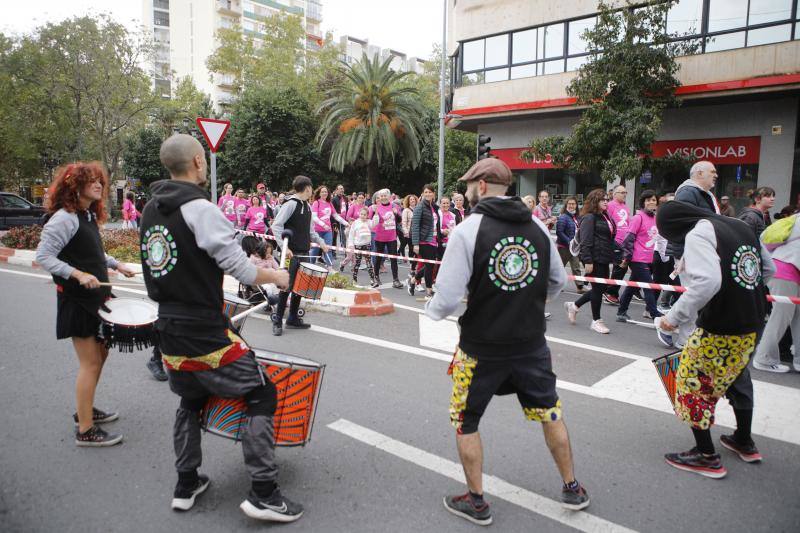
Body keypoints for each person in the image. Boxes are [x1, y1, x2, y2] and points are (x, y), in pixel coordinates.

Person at [139, 134, 301, 521]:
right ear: (198, 161)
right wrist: (277, 277)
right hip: (204, 331)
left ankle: (186, 482)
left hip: (169, 329)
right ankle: (264, 491)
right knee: (262, 392)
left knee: (191, 399)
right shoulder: (200, 208)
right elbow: (241, 268)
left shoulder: (149, 210)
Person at [426, 158, 589, 526]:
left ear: (482, 186)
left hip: (481, 347)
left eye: (469, 185)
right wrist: (529, 303)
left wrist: (431, 312)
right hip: (531, 344)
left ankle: (477, 500)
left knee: (466, 421)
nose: (467, 191)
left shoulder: (469, 230)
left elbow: (448, 297)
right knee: (550, 411)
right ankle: (572, 487)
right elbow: (558, 280)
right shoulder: (537, 227)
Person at [655, 201, 774, 477]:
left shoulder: (698, 233)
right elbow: (769, 270)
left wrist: (672, 318)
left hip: (721, 325)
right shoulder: (741, 226)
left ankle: (705, 455)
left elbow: (707, 283)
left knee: (689, 382)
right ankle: (744, 441)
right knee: (737, 377)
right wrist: (743, 292)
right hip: (752, 321)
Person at [36, 161, 137, 446]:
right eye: (92, 180)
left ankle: (86, 409)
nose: (99, 185)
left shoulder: (86, 216)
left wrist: (117, 265)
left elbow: (92, 252)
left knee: (101, 356)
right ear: (75, 185)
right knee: (90, 362)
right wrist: (77, 274)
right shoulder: (64, 217)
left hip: (97, 298)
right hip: (77, 300)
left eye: (100, 181)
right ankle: (85, 430)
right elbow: (44, 256)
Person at [659, 161, 721, 348]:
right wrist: (686, 254)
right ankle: (680, 335)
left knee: (699, 295)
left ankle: (679, 330)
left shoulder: (703, 194)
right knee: (695, 295)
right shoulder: (688, 192)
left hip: (701, 251)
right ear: (699, 173)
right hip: (690, 252)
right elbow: (684, 222)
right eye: (712, 172)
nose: (716, 175)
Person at [270, 175, 329, 336]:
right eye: (311, 188)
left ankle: (293, 318)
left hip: (304, 252)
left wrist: (321, 242)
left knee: (299, 287)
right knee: (286, 287)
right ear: (308, 188)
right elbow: (276, 225)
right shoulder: (290, 204)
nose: (312, 191)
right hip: (291, 253)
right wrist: (284, 246)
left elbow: (311, 232)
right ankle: (278, 320)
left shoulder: (308, 206)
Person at [752, 213, 800, 373]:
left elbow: (764, 237)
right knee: (781, 317)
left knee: (795, 316)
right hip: (786, 272)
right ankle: (764, 359)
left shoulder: (794, 220)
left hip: (781, 269)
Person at [564, 189, 616, 334]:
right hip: (594, 259)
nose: (606, 201)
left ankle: (574, 306)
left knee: (601, 289)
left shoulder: (605, 216)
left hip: (604, 258)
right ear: (595, 201)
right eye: (602, 199)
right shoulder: (589, 218)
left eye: (607, 199)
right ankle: (596, 320)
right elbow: (586, 241)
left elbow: (609, 238)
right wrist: (588, 261)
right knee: (598, 290)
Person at [615, 190, 662, 322]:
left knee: (632, 286)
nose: (651, 202)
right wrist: (627, 258)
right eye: (648, 200)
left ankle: (621, 311)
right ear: (643, 203)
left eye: (653, 200)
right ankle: (654, 314)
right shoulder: (638, 217)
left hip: (649, 259)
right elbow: (628, 239)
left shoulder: (655, 218)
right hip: (637, 259)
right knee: (648, 285)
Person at [408, 184, 441, 299]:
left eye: (430, 192)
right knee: (430, 265)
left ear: (433, 194)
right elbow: (415, 226)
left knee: (430, 264)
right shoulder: (420, 207)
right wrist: (415, 243)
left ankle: (413, 280)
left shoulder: (434, 207)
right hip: (423, 240)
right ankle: (429, 290)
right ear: (422, 194)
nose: (428, 194)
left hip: (433, 239)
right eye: (425, 192)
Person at [369, 188, 403, 288]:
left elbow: (399, 220)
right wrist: (374, 213)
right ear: (379, 197)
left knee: (393, 258)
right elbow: (370, 221)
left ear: (389, 196)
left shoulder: (394, 206)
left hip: (391, 237)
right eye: (381, 196)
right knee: (378, 258)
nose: (383, 197)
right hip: (379, 237)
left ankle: (395, 280)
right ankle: (376, 277)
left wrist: (396, 213)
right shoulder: (375, 208)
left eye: (385, 195)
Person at [604, 185, 631, 304]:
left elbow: (628, 222)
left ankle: (610, 291)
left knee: (620, 267)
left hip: (625, 241)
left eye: (625, 192)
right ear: (614, 194)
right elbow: (606, 221)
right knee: (620, 266)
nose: (624, 194)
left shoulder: (625, 207)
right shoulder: (610, 205)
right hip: (615, 240)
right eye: (622, 192)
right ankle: (610, 292)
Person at [555, 196, 586, 294]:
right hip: (564, 247)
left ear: (576, 205)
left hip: (574, 247)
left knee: (576, 267)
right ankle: (556, 285)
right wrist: (569, 242)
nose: (571, 206)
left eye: (573, 204)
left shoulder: (577, 217)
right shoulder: (563, 217)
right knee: (559, 267)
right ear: (566, 205)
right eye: (569, 204)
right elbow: (559, 232)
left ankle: (580, 287)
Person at [311, 185, 347, 268]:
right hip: (317, 230)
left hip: (328, 231)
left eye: (326, 192)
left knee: (328, 248)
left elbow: (336, 216)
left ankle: (330, 267)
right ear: (319, 193)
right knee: (315, 249)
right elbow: (314, 217)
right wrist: (323, 225)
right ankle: (310, 265)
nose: (324, 193)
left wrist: (346, 223)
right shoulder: (316, 203)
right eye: (323, 192)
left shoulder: (329, 203)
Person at [348, 206, 378, 287]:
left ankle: (373, 280)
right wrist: (351, 245)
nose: (363, 216)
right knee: (357, 263)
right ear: (359, 214)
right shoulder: (355, 223)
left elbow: (375, 222)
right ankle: (354, 280)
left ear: (367, 215)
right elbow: (351, 235)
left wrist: (376, 213)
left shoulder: (369, 222)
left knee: (369, 263)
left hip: (367, 245)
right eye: (361, 214)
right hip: (358, 246)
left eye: (365, 215)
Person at [330, 184, 349, 255]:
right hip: (336, 221)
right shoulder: (334, 199)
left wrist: (347, 219)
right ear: (336, 190)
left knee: (344, 236)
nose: (342, 190)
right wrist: (334, 222)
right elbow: (332, 212)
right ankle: (333, 251)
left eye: (342, 189)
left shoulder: (345, 198)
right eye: (340, 189)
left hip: (344, 221)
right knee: (334, 236)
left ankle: (345, 250)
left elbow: (347, 209)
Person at [399, 194, 417, 264]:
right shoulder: (406, 210)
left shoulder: (418, 209)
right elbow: (404, 222)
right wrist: (406, 232)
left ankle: (415, 263)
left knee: (416, 249)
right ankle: (412, 264)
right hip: (409, 233)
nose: (412, 201)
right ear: (408, 202)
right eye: (411, 200)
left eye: (413, 199)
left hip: (417, 233)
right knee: (411, 248)